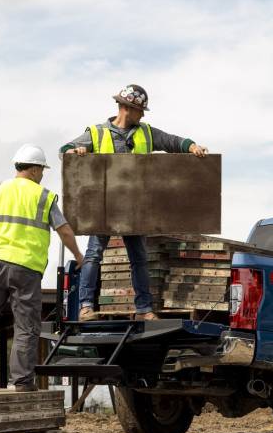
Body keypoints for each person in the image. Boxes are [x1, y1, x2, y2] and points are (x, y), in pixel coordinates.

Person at [61, 84, 208, 321]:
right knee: (94, 255)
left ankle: (143, 310)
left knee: (138, 258)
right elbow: (65, 149)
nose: (143, 115)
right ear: (128, 108)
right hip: (105, 207)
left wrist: (191, 146)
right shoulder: (97, 133)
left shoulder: (147, 133)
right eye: (141, 110)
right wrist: (73, 152)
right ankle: (86, 306)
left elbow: (171, 141)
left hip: (135, 208)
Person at [0, 145, 84, 391]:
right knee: (25, 325)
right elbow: (64, 230)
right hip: (27, 267)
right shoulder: (44, 196)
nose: (43, 175)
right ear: (35, 169)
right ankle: (23, 381)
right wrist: (78, 256)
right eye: (42, 170)